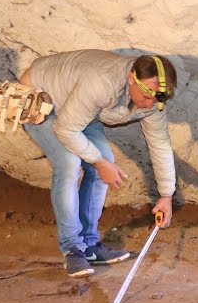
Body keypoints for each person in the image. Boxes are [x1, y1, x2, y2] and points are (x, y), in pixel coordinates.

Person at [18, 50, 179, 278]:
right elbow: (65, 129)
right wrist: (100, 162)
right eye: (148, 94)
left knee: (105, 161)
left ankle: (89, 245)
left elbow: (160, 145)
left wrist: (166, 195)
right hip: (40, 97)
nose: (151, 102)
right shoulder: (103, 83)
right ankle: (72, 248)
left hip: (80, 108)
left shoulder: (152, 103)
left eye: (159, 97)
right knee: (69, 163)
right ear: (131, 78)